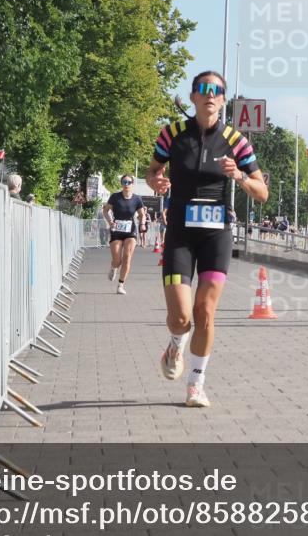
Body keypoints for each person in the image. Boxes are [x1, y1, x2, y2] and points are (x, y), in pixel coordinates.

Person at [146, 70, 267, 408]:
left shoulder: (236, 140)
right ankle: (175, 343)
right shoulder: (172, 134)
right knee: (182, 317)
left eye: (217, 90)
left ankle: (195, 384)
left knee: (206, 312)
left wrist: (240, 175)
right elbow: (152, 170)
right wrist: (156, 181)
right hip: (181, 233)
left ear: (223, 100)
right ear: (193, 96)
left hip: (217, 234)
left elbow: (263, 193)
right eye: (203, 89)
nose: (210, 95)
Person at [102, 175, 144, 295]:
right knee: (117, 260)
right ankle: (113, 267)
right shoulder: (115, 197)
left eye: (129, 182)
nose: (126, 184)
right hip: (116, 230)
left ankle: (120, 285)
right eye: (124, 182)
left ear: (132, 184)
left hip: (130, 231)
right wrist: (110, 221)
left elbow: (142, 214)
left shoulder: (137, 199)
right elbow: (105, 210)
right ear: (121, 183)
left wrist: (142, 223)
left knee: (127, 257)